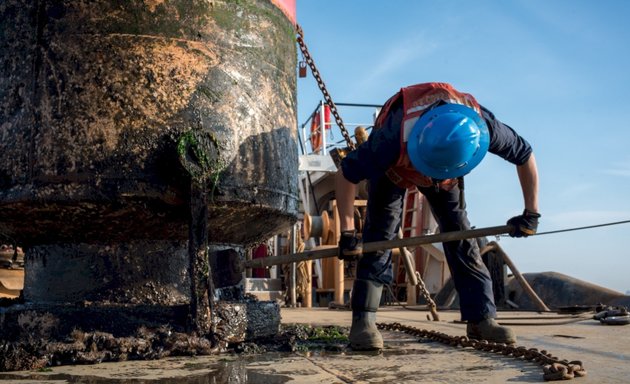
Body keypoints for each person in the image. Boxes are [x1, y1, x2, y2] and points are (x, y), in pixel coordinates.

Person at [335, 82, 539, 350]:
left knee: (460, 234)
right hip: (394, 170)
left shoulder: (481, 125)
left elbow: (525, 155)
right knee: (380, 236)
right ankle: (363, 321)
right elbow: (346, 175)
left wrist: (531, 213)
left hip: (446, 172)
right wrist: (348, 233)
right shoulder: (391, 138)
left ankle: (481, 319)